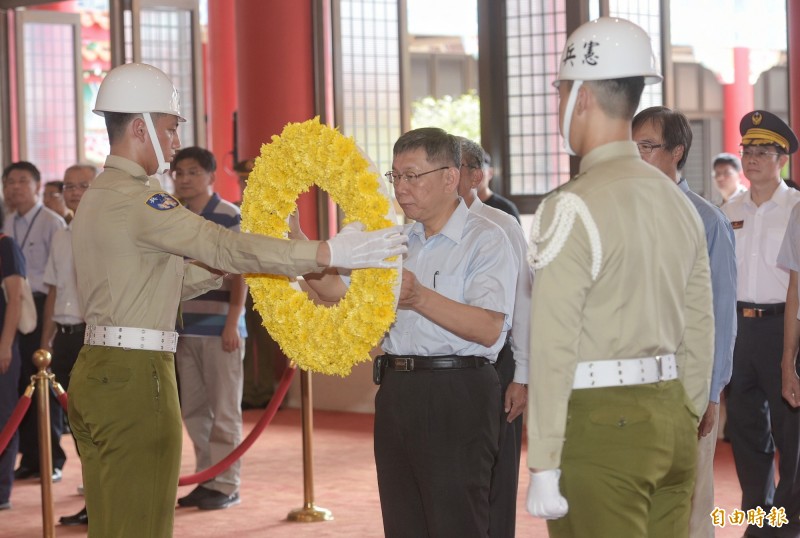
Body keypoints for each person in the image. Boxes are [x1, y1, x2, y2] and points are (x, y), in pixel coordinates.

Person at [67, 62, 406, 538]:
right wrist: (326, 252)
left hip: (98, 366)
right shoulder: (142, 201)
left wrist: (250, 259)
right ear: (140, 126)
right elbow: (220, 244)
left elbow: (169, 279)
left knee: (111, 518)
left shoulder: (101, 195)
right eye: (169, 128)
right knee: (140, 523)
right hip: (136, 374)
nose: (175, 141)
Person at [525, 18, 714, 538]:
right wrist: (684, 407)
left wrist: (542, 460)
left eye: (560, 89)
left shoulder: (570, 207)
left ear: (580, 96)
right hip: (672, 417)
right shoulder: (679, 203)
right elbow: (701, 324)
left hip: (602, 428)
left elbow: (553, 344)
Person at [374, 127, 516, 537]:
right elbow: (339, 290)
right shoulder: (399, 241)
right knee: (403, 521)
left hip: (458, 392)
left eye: (412, 176)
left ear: (450, 177)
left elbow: (489, 328)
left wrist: (419, 297)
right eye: (395, 176)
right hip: (397, 389)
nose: (401, 188)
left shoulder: (487, 239)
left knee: (456, 522)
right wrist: (296, 247)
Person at [632, 106, 737, 538]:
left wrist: (710, 392)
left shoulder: (707, 220)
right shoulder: (622, 214)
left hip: (684, 383)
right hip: (626, 381)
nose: (635, 156)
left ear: (676, 152)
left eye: (647, 147)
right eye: (630, 146)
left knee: (690, 504)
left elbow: (721, 312)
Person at [721, 109, 800, 538]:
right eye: (746, 150)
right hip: (739, 329)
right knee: (747, 430)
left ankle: (788, 521)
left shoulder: (796, 208)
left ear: (782, 158)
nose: (751, 158)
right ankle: (758, 516)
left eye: (762, 151)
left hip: (783, 328)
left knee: (791, 431)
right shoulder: (728, 208)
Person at [458, 137, 531, 538]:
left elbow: (523, 304)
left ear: (473, 176)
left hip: (499, 361)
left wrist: (522, 374)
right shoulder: (417, 229)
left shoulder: (502, 224)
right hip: (453, 371)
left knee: (497, 475)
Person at [170, 147, 247, 511]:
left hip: (221, 329)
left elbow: (242, 271)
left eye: (192, 172)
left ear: (210, 176)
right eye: (178, 173)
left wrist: (234, 320)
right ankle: (207, 477)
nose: (184, 179)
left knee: (224, 410)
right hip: (185, 329)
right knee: (194, 411)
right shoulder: (173, 217)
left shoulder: (229, 215)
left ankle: (228, 484)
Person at [40, 163, 98, 527]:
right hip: (62, 338)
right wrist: (45, 341)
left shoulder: (104, 232)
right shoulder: (62, 235)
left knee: (95, 424)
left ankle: (104, 501)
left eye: (82, 185)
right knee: (75, 425)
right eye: (69, 186)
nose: (74, 192)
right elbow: (54, 292)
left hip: (92, 337)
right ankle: (93, 500)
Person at [2, 161, 67, 483]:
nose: (15, 187)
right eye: (9, 181)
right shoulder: (8, 221)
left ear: (38, 185)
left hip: (42, 306)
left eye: (22, 181)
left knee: (43, 382)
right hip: (14, 308)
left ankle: (51, 458)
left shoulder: (52, 222)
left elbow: (56, 277)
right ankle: (29, 457)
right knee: (19, 385)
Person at [0, 235, 26, 511]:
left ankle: (1, 490)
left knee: (4, 416)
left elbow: (16, 297)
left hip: (2, 347)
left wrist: (5, 345)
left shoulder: (5, 244)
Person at [476, 152, 521, 223]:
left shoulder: (506, 209)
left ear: (490, 173)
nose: (475, 176)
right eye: (470, 171)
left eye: (480, 171)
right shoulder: (459, 206)